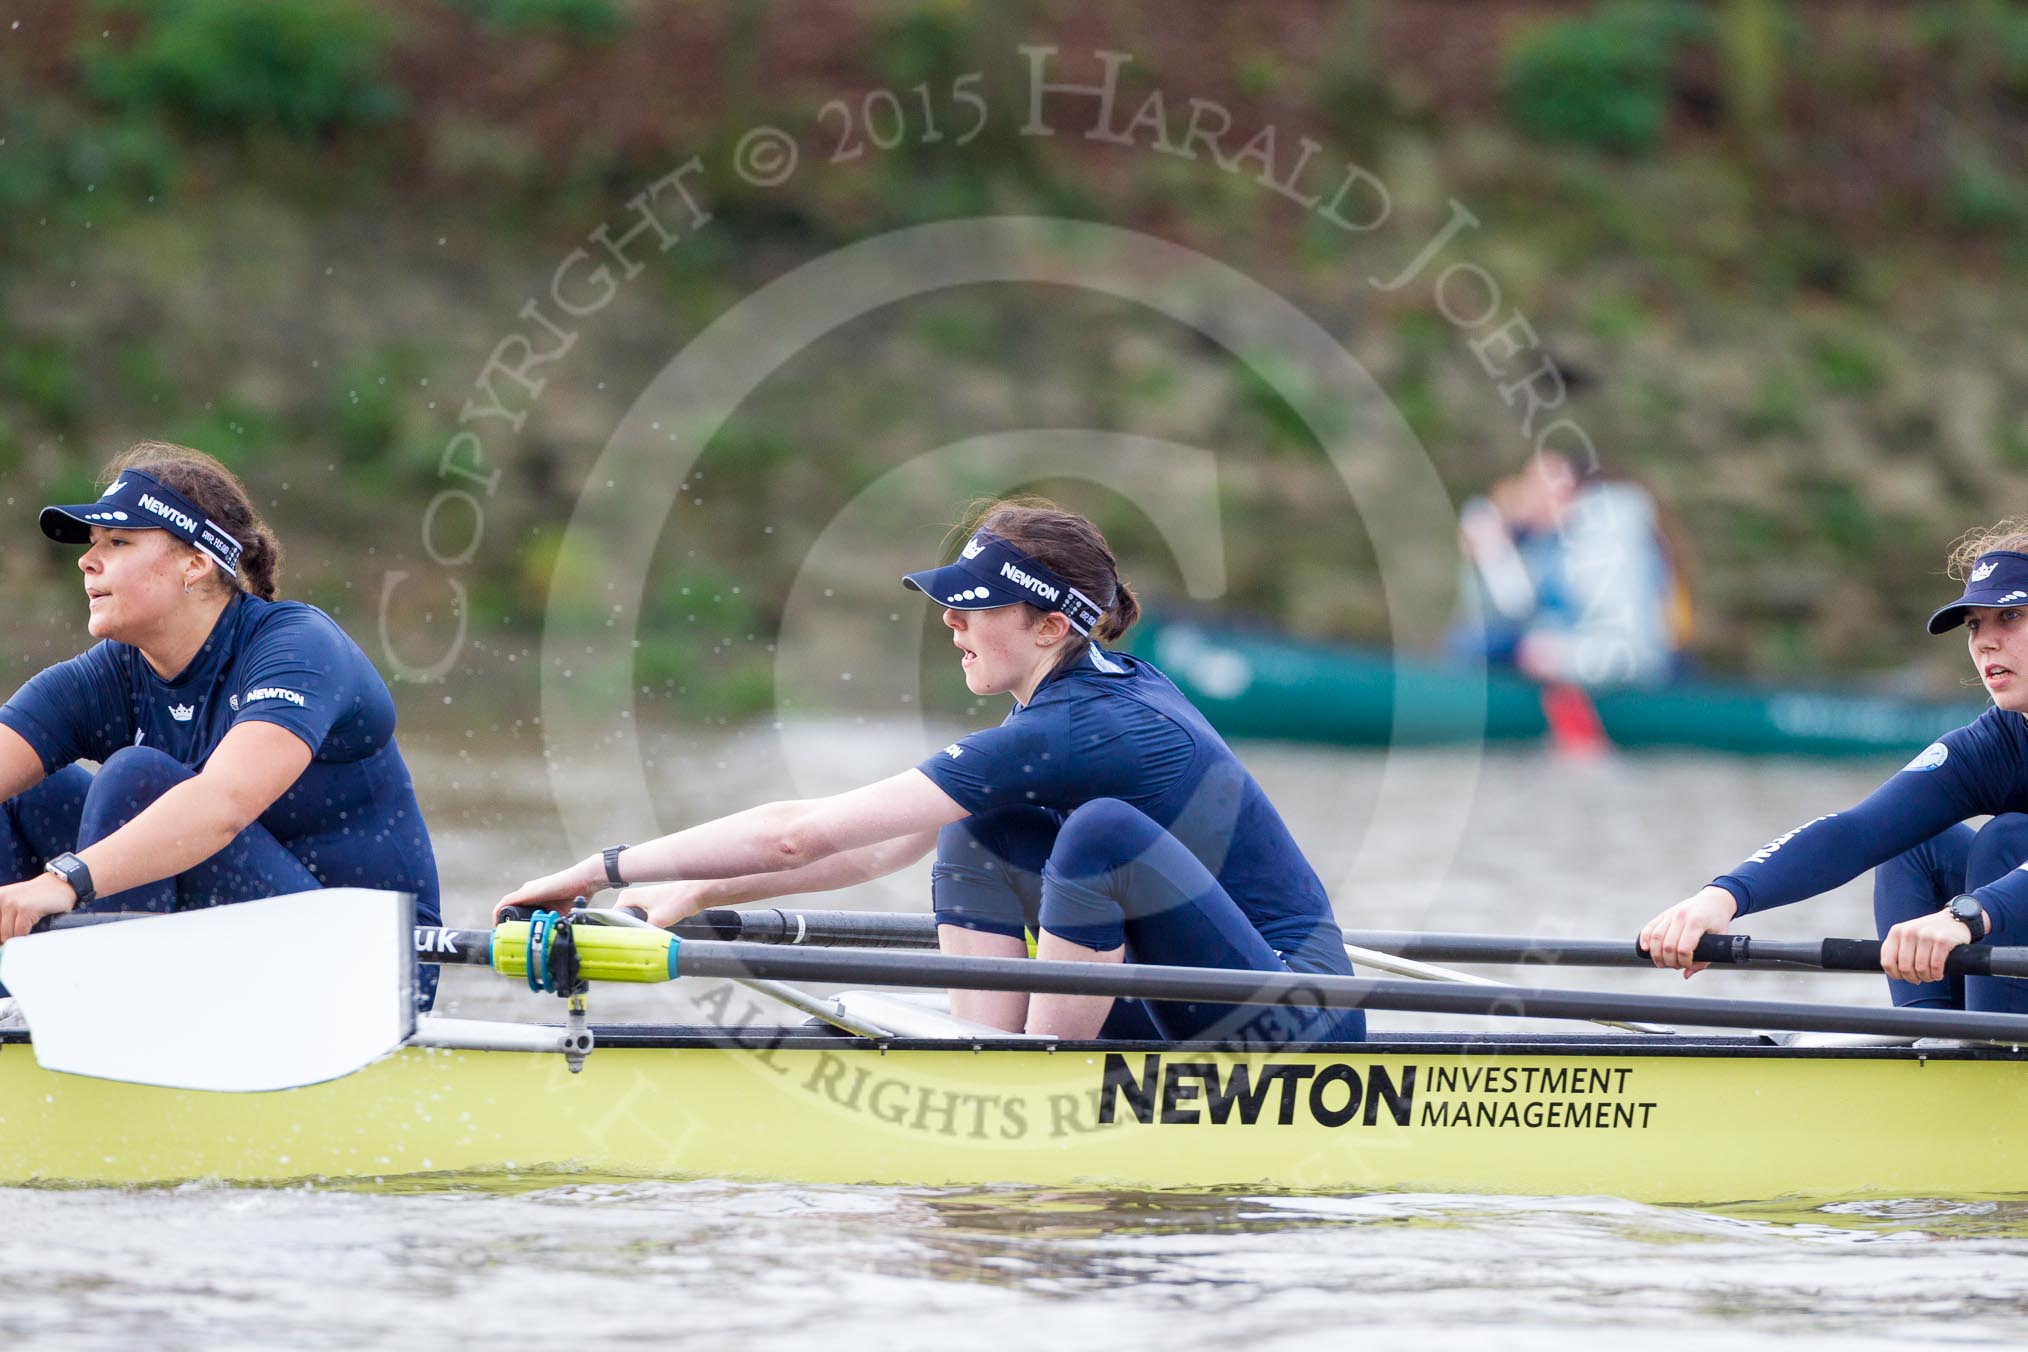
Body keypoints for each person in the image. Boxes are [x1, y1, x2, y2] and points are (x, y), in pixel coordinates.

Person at [501, 498, 1365, 1045]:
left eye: (977, 603)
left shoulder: (1085, 727)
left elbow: (797, 835)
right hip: (1205, 999)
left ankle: (1039, 1078)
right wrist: (693, 895)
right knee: (979, 824)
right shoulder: (1079, 697)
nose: (950, 619)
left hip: (1294, 1026)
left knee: (1100, 835)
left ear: (1051, 627)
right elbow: (883, 847)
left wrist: (595, 871)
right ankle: (988, 1058)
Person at [0, 443, 442, 1009]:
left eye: (119, 542)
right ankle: (29, 1015)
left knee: (137, 777)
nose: (88, 561)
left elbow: (223, 804)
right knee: (20, 793)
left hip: (368, 977)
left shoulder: (299, 647)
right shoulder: (111, 674)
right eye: (92, 546)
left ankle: (106, 1018)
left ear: (195, 563)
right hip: (241, 949)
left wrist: (63, 880)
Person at [1640, 518, 2028, 1012]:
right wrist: (1721, 898)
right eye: (1975, 624)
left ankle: (1990, 1056)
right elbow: (1854, 832)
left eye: (2009, 617)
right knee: (1915, 845)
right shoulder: (1994, 742)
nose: (1983, 642)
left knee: (2007, 839)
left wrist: (1967, 916)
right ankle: (1933, 1044)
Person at [1448, 451, 1687, 687]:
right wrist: (1491, 554)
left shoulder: (1608, 537)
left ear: (1568, 488)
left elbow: (1636, 651)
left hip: (1626, 695)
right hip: (1571, 687)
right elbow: (1509, 608)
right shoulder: (1546, 543)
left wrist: (1559, 659)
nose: (1527, 498)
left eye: (1538, 486)